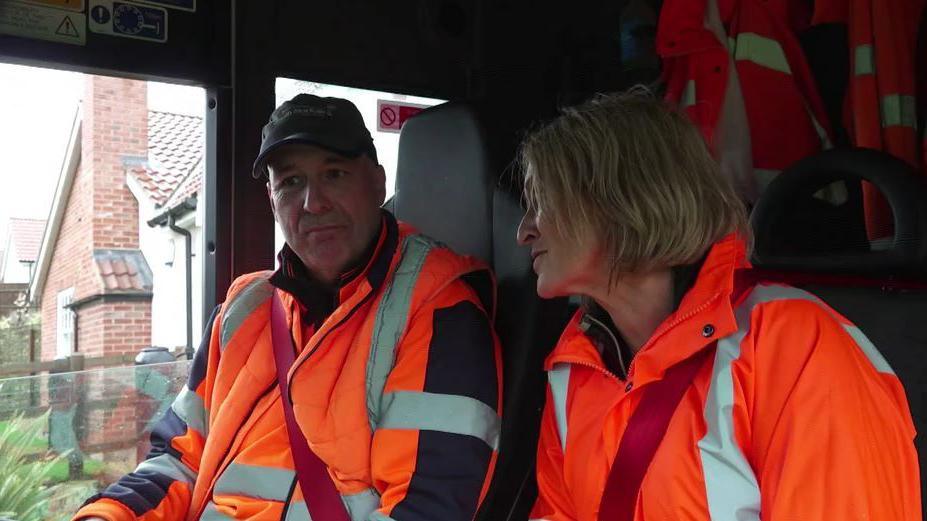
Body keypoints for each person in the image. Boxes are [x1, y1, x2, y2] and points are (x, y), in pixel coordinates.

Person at [74, 94, 502, 521]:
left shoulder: (439, 309)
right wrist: (108, 515)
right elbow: (178, 458)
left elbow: (426, 508)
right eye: (291, 182)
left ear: (377, 182)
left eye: (334, 175)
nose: (313, 204)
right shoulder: (243, 308)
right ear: (272, 198)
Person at [517, 90, 920, 520]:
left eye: (543, 203)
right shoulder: (573, 366)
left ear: (622, 201)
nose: (523, 232)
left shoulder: (794, 346)